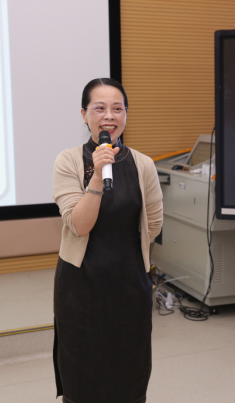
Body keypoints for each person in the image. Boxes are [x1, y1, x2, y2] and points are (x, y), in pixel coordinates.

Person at [52, 78, 163, 402]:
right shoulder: (68, 161)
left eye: (117, 108)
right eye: (99, 108)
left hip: (130, 284)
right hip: (81, 286)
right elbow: (79, 225)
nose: (109, 116)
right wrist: (98, 176)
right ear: (84, 114)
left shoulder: (143, 164)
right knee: (83, 373)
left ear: (126, 114)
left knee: (130, 372)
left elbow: (153, 224)